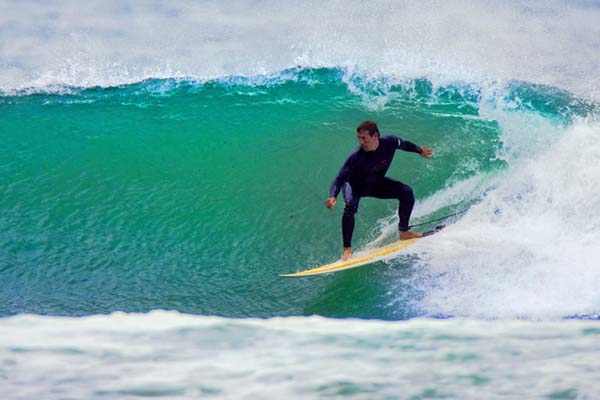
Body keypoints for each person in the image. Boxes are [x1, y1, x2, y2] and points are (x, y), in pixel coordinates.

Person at [325, 120, 432, 261]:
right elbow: (340, 178)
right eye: (359, 138)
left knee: (406, 192)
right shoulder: (356, 157)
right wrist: (333, 196)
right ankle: (347, 250)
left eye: (364, 138)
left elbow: (404, 144)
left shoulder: (390, 142)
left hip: (375, 184)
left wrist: (420, 151)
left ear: (375, 136)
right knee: (350, 207)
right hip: (354, 186)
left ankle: (404, 232)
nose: (361, 142)